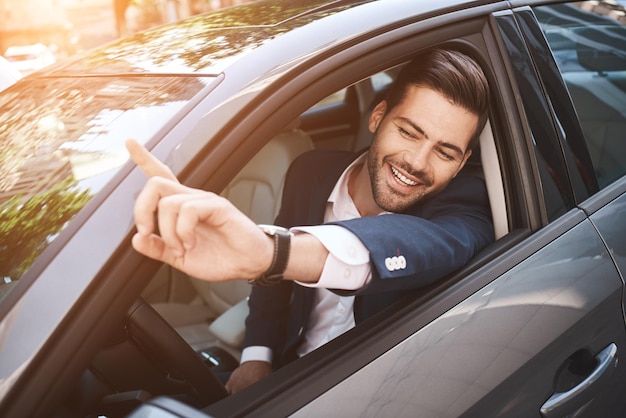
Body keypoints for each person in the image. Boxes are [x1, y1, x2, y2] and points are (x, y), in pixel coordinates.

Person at [129, 48, 494, 395]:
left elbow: (420, 243)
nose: (417, 161)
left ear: (461, 164)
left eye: (445, 152)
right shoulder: (309, 172)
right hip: (291, 369)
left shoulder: (468, 209)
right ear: (377, 117)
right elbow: (274, 284)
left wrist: (274, 253)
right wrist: (257, 355)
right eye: (408, 132)